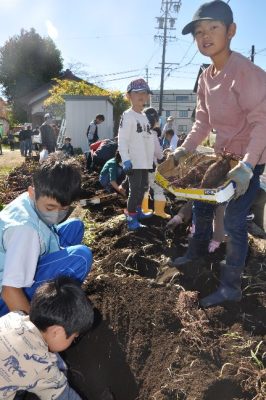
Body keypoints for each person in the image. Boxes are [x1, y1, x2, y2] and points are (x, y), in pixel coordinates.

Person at [168, 0, 266, 307]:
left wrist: (248, 167)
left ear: (231, 31)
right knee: (201, 205)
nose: (204, 35)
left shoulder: (246, 73)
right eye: (198, 31)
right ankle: (196, 254)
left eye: (213, 27)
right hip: (223, 156)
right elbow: (202, 121)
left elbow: (261, 122)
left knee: (236, 221)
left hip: (250, 159)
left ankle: (230, 286)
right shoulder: (206, 77)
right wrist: (184, 150)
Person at [0, 153, 93, 317]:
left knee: (75, 226)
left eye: (63, 209)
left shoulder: (29, 200)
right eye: (50, 208)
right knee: (81, 257)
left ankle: (57, 289)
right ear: (32, 192)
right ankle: (51, 308)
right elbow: (10, 291)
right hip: (6, 298)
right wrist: (33, 334)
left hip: (18, 260)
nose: (56, 215)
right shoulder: (25, 230)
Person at [0, 276, 94, 399]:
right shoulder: (42, 367)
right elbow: (65, 397)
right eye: (73, 338)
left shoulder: (13, 317)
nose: (72, 342)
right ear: (56, 332)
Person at [118, 78, 155, 230]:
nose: (141, 96)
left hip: (144, 161)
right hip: (134, 161)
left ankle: (138, 211)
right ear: (129, 96)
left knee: (143, 188)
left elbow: (148, 140)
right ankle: (131, 218)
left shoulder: (144, 117)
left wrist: (151, 160)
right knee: (134, 191)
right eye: (137, 93)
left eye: (144, 93)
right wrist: (126, 159)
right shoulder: (127, 116)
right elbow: (122, 140)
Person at [142, 107, 171, 219]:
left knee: (145, 188)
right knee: (158, 188)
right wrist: (163, 157)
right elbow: (158, 153)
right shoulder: (152, 134)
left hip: (140, 167)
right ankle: (159, 211)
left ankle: (144, 209)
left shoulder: (139, 133)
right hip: (150, 166)